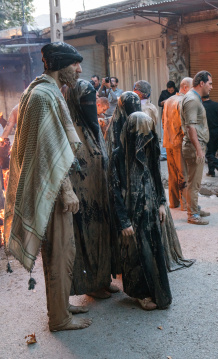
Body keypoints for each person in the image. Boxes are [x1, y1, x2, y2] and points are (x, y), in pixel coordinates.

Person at [5, 42, 92, 331]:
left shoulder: (40, 89)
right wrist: (66, 188)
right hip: (52, 187)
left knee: (62, 250)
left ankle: (61, 305)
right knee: (59, 251)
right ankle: (59, 318)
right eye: (74, 64)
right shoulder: (44, 95)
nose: (79, 69)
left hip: (50, 183)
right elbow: (46, 149)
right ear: (59, 64)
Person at [109, 100, 172, 311]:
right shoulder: (118, 155)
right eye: (142, 134)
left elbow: (156, 176)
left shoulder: (150, 148)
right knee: (135, 254)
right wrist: (124, 221)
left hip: (151, 209)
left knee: (153, 251)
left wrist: (162, 203)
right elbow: (115, 191)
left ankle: (156, 290)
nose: (145, 138)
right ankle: (139, 293)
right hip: (130, 213)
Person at [62, 79, 119, 300]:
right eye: (86, 100)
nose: (91, 103)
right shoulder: (71, 133)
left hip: (100, 195)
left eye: (92, 98)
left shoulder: (93, 127)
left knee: (103, 235)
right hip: (85, 200)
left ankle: (104, 279)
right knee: (87, 238)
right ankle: (91, 283)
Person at [181, 71, 212, 225]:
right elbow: (190, 127)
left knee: (193, 181)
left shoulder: (194, 98)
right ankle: (192, 214)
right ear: (202, 84)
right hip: (194, 147)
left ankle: (194, 208)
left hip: (195, 145)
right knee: (194, 183)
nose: (211, 87)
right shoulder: (192, 100)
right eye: (210, 83)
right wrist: (199, 149)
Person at [162, 77, 192, 209]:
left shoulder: (168, 101)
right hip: (179, 143)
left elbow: (163, 122)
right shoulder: (183, 101)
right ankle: (186, 204)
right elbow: (185, 126)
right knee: (183, 173)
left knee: (172, 174)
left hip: (168, 141)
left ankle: (174, 202)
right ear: (185, 87)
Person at [134, 80, 164, 160]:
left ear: (138, 92)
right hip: (151, 142)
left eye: (134, 90)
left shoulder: (138, 108)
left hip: (141, 144)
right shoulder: (152, 107)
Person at [203, 95, 218, 178]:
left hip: (208, 132)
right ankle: (211, 172)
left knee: (208, 155)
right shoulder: (217, 104)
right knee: (212, 153)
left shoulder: (201, 105)